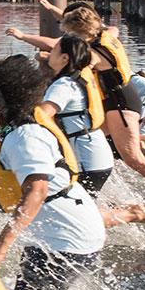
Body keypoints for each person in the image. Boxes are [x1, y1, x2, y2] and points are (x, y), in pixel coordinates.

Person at [0, 55, 106, 290]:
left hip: (67, 237)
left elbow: (38, 189)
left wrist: (2, 243)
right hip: (56, 232)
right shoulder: (10, 130)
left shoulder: (24, 136)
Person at [8, 0, 145, 202]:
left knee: (132, 157)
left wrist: (39, 54)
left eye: (72, 34)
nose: (70, 39)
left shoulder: (94, 53)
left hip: (120, 103)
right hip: (123, 96)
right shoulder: (108, 34)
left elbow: (67, 57)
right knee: (106, 144)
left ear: (81, 33)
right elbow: (109, 30)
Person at [38, 35, 114, 194]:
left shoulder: (64, 85)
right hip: (97, 154)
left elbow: (41, 117)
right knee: (82, 209)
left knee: (72, 210)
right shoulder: (79, 76)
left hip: (86, 159)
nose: (49, 54)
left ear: (65, 58)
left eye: (53, 51)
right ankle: (141, 212)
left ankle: (141, 213)